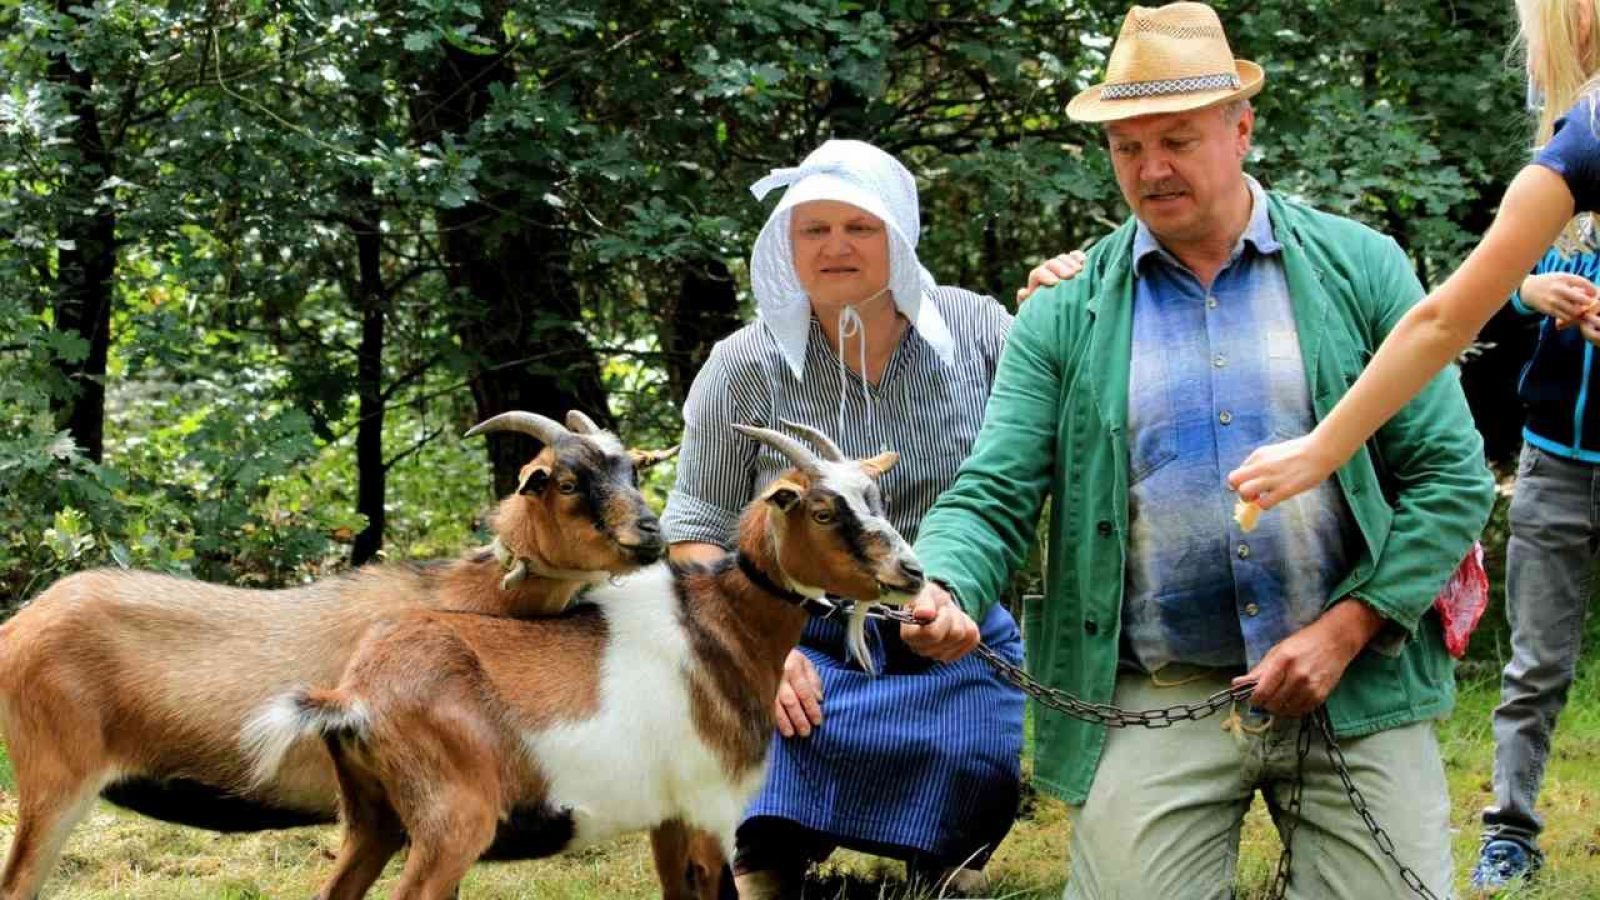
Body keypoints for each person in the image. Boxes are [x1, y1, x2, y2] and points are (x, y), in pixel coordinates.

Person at [897, 3, 1496, 897]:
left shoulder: (1361, 267)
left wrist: (1349, 627)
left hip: (1354, 674)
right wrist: (941, 586)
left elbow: (1451, 478)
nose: (1152, 169)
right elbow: (993, 491)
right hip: (1157, 685)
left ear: (1242, 128)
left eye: (1176, 140)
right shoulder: (1063, 312)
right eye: (1127, 149)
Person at [659, 139, 1038, 898]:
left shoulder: (981, 331)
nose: (836, 247)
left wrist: (1064, 293)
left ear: (897, 235)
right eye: (813, 229)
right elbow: (692, 523)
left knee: (972, 756)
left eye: (859, 227)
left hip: (943, 621)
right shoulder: (742, 364)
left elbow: (1032, 457)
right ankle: (766, 862)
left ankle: (945, 865)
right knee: (760, 743)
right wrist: (751, 649)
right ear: (786, 246)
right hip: (794, 632)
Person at [1225, 0, 1600, 506]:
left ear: (1578, 18)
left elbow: (1444, 321)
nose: (1532, 62)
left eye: (1530, 37)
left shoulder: (1586, 141)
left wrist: (1321, 449)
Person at [1468, 237, 1600, 889]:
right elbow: (1470, 304)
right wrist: (1528, 293)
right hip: (1551, 468)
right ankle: (1508, 835)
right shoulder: (1555, 217)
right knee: (1536, 663)